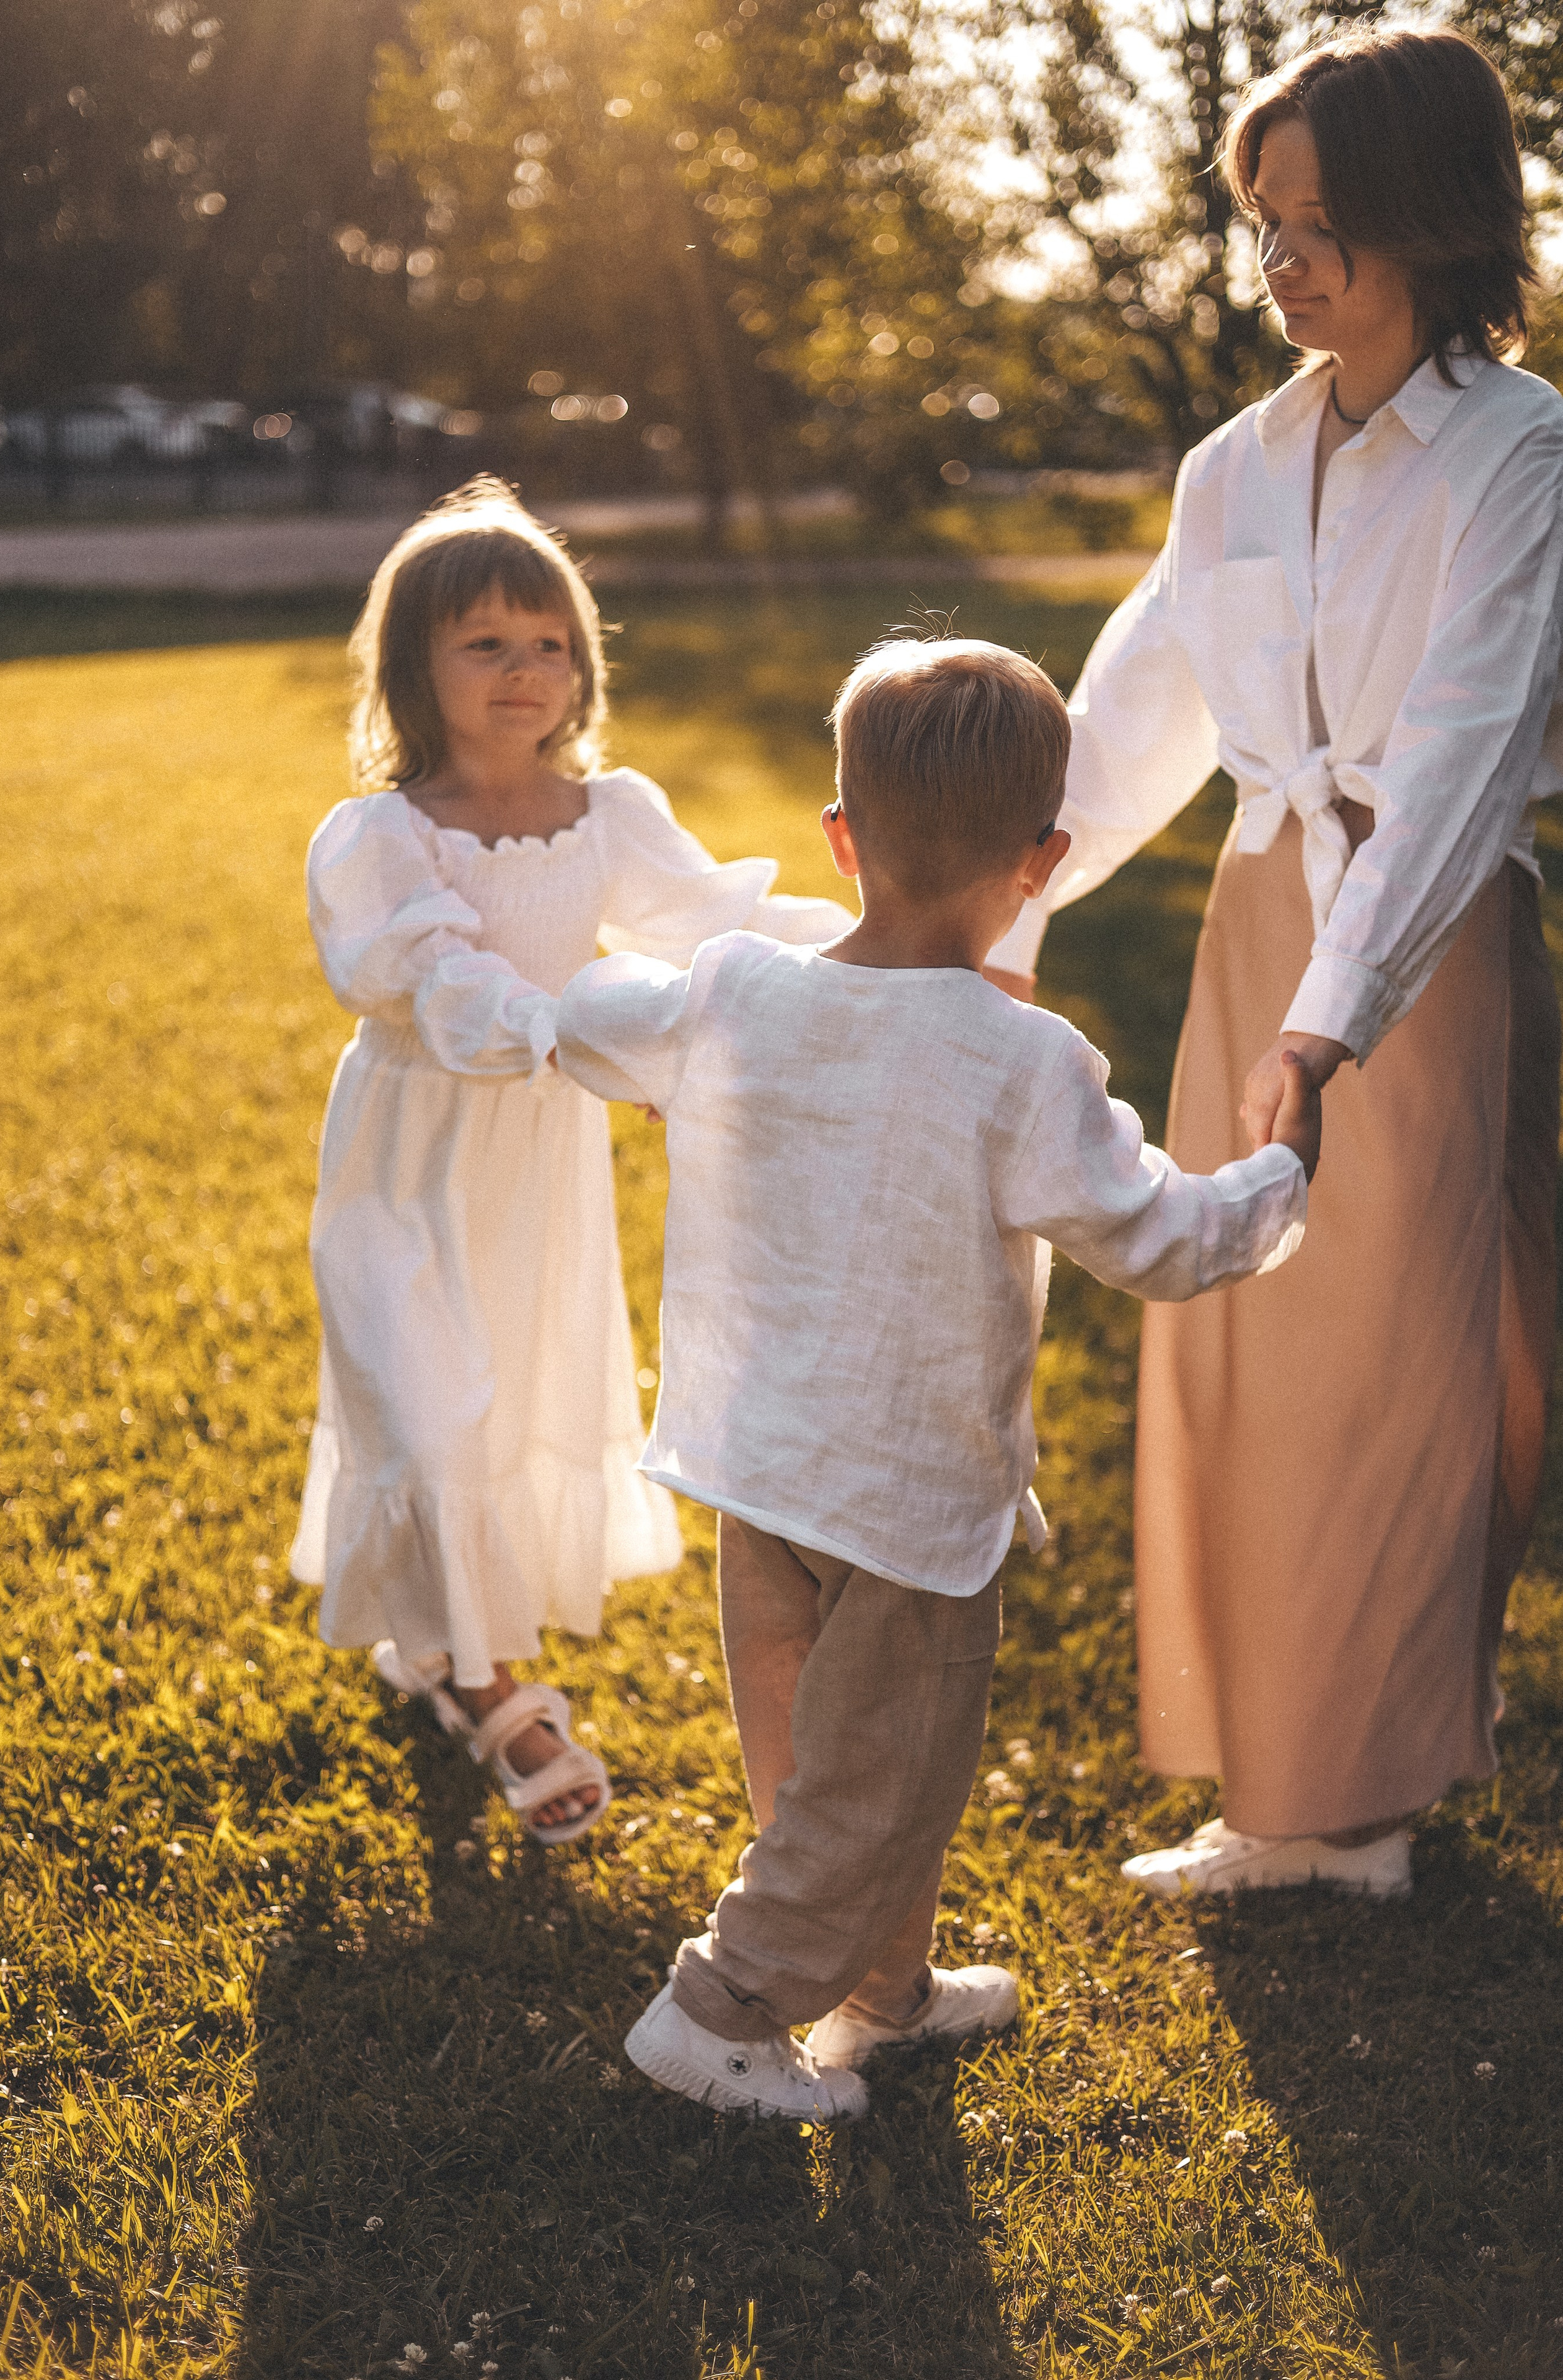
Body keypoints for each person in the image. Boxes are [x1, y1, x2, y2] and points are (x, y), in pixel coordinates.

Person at [554, 637, 1319, 2119]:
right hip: (904, 1499)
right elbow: (1159, 1236)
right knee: (880, 1773)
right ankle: (716, 2013)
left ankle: (883, 1998)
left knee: (818, 1767)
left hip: (753, 1463)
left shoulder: (727, 994)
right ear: (1041, 861)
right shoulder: (1022, 1065)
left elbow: (598, 1018)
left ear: (839, 838)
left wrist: (562, 1028)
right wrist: (1282, 1179)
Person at [982, 27, 1563, 1900]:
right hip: (1259, 915)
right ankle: (1280, 1792)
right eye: (1266, 224)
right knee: (1244, 1348)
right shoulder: (1232, 463)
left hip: (1429, 934)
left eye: (1326, 223)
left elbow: (1469, 749)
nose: (1286, 262)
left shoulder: (1523, 451)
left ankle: (1361, 1807)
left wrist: (1329, 1031)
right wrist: (987, 923)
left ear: (1434, 220)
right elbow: (1138, 711)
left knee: (1399, 1351)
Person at [288, 478, 851, 1844]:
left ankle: (441, 1648)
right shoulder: (378, 838)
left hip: (539, 1169)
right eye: (483, 644)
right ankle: (492, 1690)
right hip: (409, 1157)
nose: (522, 671)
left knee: (504, 1398)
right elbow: (438, 987)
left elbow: (710, 925)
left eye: (547, 641)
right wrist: (594, 1036)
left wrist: (871, 943)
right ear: (412, 666)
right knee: (422, 1402)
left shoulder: (608, 812)